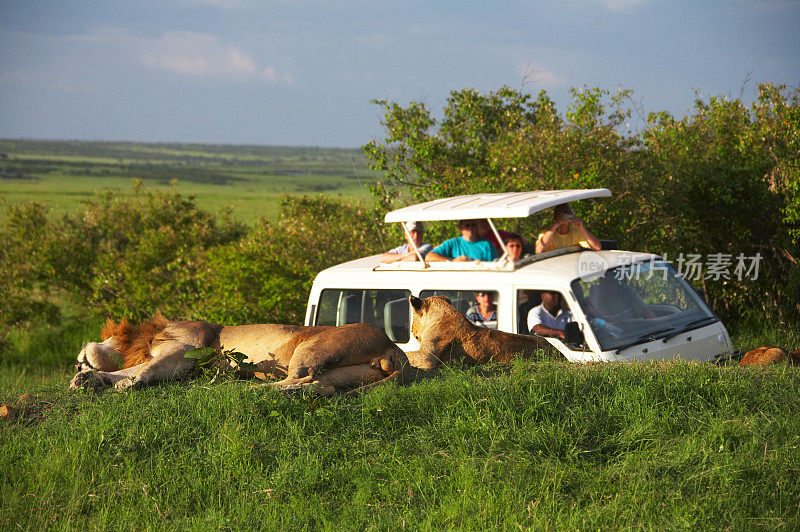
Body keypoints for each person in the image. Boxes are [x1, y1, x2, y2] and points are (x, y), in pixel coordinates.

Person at [588, 271, 656, 320]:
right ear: (600, 282)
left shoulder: (628, 293)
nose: (608, 286)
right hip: (604, 337)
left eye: (611, 281)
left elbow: (649, 315)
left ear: (617, 282)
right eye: (605, 281)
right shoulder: (594, 296)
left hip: (632, 333)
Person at [535, 203, 601, 254]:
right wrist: (554, 226)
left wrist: (582, 228)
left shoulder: (577, 232)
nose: (565, 216)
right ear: (555, 217)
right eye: (562, 214)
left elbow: (597, 247)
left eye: (568, 213)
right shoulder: (547, 233)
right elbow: (539, 250)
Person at [426, 219, 498, 262]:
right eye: (467, 226)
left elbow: (496, 264)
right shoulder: (452, 243)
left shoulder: (487, 244)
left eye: (473, 225)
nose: (470, 228)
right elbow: (429, 257)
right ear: (460, 227)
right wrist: (452, 261)